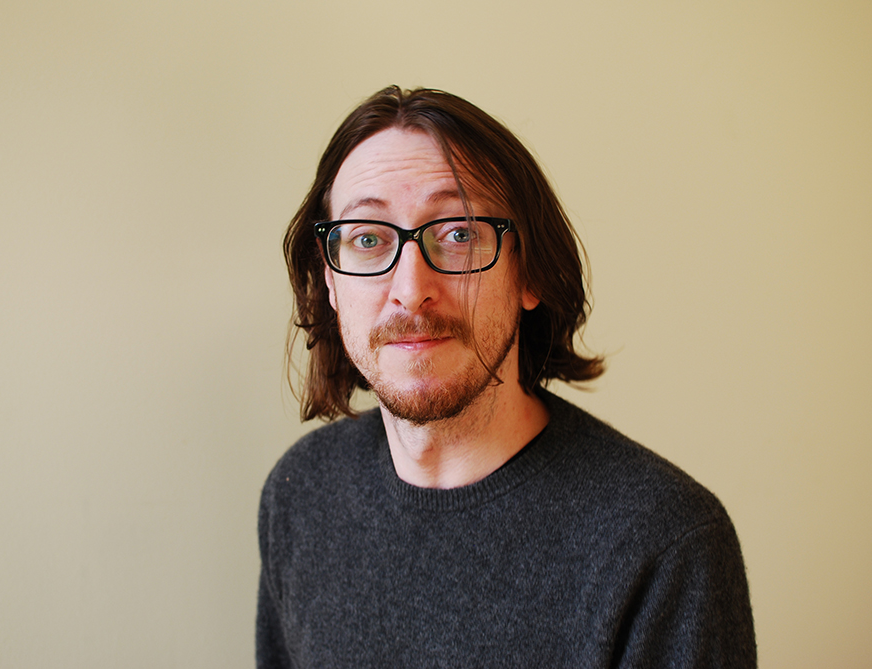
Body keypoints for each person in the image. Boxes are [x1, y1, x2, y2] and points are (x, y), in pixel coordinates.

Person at [257, 85, 756, 667]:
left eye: (459, 233)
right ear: (330, 280)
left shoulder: (664, 544)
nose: (411, 290)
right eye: (368, 238)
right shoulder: (300, 496)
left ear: (529, 273)